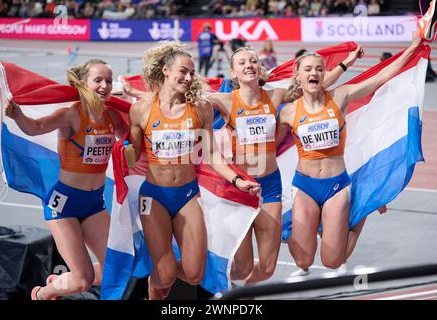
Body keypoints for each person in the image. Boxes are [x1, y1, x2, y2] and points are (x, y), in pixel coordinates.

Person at [206, 45, 364, 285]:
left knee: (267, 269)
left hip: (269, 186)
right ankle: (215, 285)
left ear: (260, 68)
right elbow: (186, 103)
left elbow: (313, 83)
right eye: (242, 62)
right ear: (233, 73)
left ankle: (244, 292)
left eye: (253, 61)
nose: (249, 65)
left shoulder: (276, 96)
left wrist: (345, 64)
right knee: (240, 270)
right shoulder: (223, 100)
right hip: (239, 187)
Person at [278, 29, 422, 275]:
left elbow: (380, 79)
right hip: (304, 186)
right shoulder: (288, 112)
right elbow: (270, 147)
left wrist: (411, 48)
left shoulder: (340, 96)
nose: (314, 72)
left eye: (319, 69)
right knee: (303, 261)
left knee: (333, 261)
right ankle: (296, 228)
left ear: (324, 74)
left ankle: (360, 212)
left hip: (336, 186)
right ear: (297, 75)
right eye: (308, 69)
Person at [127, 41, 259, 300]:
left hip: (188, 195)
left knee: (195, 274)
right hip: (154, 196)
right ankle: (155, 289)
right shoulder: (141, 109)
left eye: (191, 73)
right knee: (164, 276)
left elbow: (210, 154)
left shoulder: (201, 108)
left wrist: (237, 179)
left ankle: (159, 280)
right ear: (165, 70)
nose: (188, 78)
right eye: (182, 72)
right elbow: (133, 155)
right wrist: (121, 150)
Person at [3, 59, 127, 300]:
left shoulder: (112, 115)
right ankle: (41, 294)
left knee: (117, 268)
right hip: (63, 204)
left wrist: (137, 103)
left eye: (109, 81)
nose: (104, 85)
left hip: (94, 204)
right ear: (82, 84)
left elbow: (132, 136)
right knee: (82, 280)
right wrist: (18, 115)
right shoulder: (71, 114)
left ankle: (61, 281)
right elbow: (36, 127)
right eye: (98, 80)